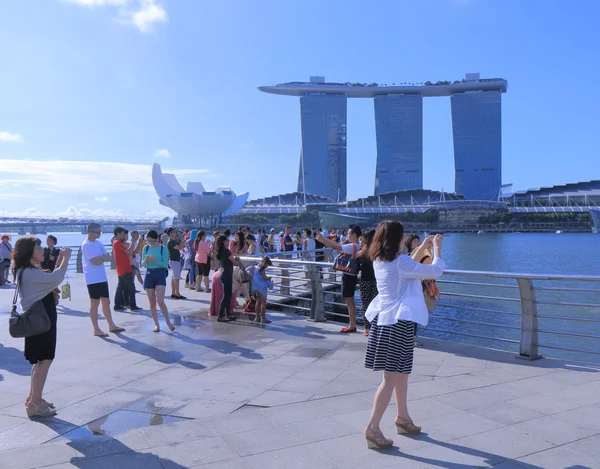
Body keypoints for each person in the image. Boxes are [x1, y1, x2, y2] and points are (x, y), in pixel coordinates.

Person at [363, 221, 445, 449]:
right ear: (396, 240)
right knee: (390, 378)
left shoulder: (380, 260)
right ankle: (372, 428)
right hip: (397, 324)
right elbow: (435, 270)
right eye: (402, 237)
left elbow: (409, 263)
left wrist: (422, 247)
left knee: (401, 374)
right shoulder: (400, 263)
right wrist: (437, 247)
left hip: (387, 321)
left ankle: (403, 417)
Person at [12, 237, 71, 418]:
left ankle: (33, 398)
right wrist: (67, 259)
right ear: (29, 251)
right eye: (38, 246)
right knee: (44, 360)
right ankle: (35, 403)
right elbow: (56, 278)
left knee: (40, 361)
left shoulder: (27, 271)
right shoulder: (29, 273)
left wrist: (59, 261)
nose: (42, 249)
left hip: (39, 320)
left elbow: (48, 279)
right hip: (41, 321)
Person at [81, 223, 125, 337]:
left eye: (100, 232)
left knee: (106, 301)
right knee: (95, 303)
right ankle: (96, 329)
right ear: (90, 232)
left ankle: (111, 325)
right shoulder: (86, 245)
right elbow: (95, 262)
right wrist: (102, 258)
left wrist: (101, 258)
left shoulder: (98, 243)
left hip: (101, 277)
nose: (100, 234)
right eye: (98, 232)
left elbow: (109, 257)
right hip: (92, 278)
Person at [317, 225, 362, 333]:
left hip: (349, 276)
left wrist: (323, 239)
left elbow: (336, 246)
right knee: (349, 300)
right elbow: (335, 245)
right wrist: (324, 240)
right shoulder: (356, 245)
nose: (347, 235)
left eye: (349, 233)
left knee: (349, 301)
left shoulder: (354, 246)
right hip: (350, 275)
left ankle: (352, 325)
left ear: (354, 235)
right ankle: (352, 324)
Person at [142, 230, 175, 332]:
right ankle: (156, 325)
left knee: (160, 301)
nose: (150, 243)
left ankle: (168, 322)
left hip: (160, 274)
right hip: (149, 274)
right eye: (148, 241)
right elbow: (142, 263)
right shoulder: (146, 248)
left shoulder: (163, 248)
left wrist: (155, 260)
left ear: (157, 239)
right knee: (152, 303)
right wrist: (146, 260)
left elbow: (165, 264)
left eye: (152, 241)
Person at [112, 227, 141, 312]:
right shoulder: (117, 243)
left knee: (120, 287)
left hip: (123, 268)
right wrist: (133, 242)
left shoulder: (118, 243)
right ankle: (132, 305)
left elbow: (131, 252)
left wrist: (134, 242)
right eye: (122, 234)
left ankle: (118, 305)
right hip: (124, 268)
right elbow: (129, 252)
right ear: (118, 234)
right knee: (131, 287)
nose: (124, 236)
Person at [215, 234, 241, 322]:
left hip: (223, 274)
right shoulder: (226, 251)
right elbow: (235, 263)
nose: (228, 242)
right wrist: (238, 261)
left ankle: (227, 313)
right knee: (226, 295)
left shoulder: (221, 251)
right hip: (227, 274)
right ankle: (221, 314)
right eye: (226, 241)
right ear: (223, 242)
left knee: (228, 294)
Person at [358, 229, 377, 337]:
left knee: (365, 304)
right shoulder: (377, 250)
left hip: (365, 280)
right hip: (376, 280)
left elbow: (358, 264)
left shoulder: (362, 251)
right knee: (376, 304)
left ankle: (367, 328)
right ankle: (375, 327)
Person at [166, 228, 186, 300]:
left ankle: (173, 293)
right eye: (174, 232)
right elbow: (180, 247)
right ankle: (177, 293)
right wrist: (181, 237)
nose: (175, 233)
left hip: (174, 260)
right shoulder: (171, 241)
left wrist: (182, 238)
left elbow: (182, 245)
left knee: (174, 277)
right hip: (174, 260)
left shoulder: (172, 241)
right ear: (170, 233)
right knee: (177, 278)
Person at [253, 257, 274, 324]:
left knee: (258, 301)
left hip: (256, 287)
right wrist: (269, 278)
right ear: (265, 263)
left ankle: (257, 317)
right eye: (267, 265)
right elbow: (264, 277)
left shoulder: (257, 267)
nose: (267, 267)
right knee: (263, 303)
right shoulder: (261, 269)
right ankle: (263, 318)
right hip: (262, 287)